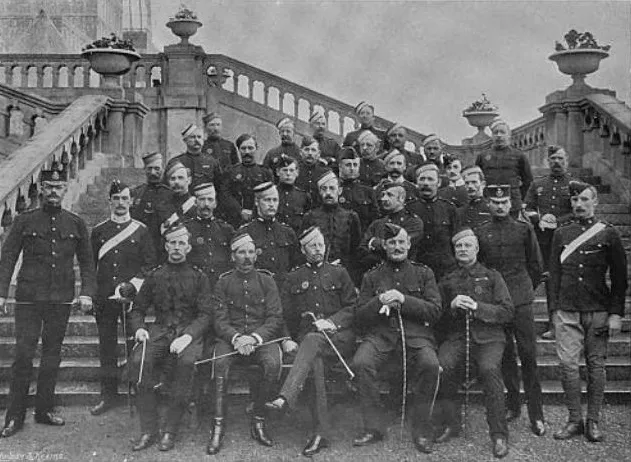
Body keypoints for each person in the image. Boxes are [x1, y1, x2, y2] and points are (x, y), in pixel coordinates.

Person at [0, 169, 96, 437]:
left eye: (59, 186)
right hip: (29, 299)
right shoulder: (24, 221)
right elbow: (8, 257)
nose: (54, 191)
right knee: (22, 356)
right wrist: (1, 292)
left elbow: (88, 262)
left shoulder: (75, 223)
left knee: (52, 355)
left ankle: (44, 410)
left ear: (65, 189)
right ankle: (14, 417)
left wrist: (87, 292)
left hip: (60, 299)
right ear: (41, 189)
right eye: (49, 186)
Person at [266, 227, 357, 456]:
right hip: (308, 344)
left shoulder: (339, 273)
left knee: (312, 341)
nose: (318, 249)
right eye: (313, 246)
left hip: (339, 339)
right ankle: (320, 433)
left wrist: (333, 322)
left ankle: (286, 396)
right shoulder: (293, 277)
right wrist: (286, 339)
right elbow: (283, 316)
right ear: (303, 249)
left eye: (321, 245)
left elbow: (353, 307)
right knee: (314, 359)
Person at [549, 181, 628, 442]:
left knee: (596, 366)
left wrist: (616, 313)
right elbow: (554, 276)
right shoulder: (561, 234)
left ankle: (593, 421)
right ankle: (574, 420)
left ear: (595, 202)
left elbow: (619, 278)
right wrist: (553, 312)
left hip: (598, 309)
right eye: (574, 200)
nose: (579, 205)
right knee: (568, 365)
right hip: (567, 309)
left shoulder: (608, 233)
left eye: (584, 199)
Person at [352, 224, 442, 454]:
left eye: (402, 242)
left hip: (416, 337)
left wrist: (404, 299)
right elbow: (359, 317)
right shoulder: (372, 276)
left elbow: (434, 311)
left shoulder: (424, 273)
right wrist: (379, 300)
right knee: (362, 363)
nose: (397, 247)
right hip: (381, 337)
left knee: (430, 364)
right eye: (392, 242)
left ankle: (422, 428)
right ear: (384, 246)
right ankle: (373, 427)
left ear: (410, 244)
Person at [128, 224, 214, 452]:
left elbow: (206, 314)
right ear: (166, 246)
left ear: (188, 247)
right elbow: (137, 309)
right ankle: (148, 429)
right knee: (139, 361)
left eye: (181, 243)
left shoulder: (199, 276)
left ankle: (170, 430)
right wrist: (139, 329)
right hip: (159, 332)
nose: (177, 247)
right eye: (172, 243)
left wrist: (188, 336)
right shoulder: (155, 275)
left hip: (188, 334)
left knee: (186, 364)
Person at [435, 228, 513, 459]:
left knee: (490, 370)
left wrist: (478, 307)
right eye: (458, 246)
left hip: (489, 338)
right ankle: (452, 423)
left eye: (467, 245)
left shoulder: (492, 276)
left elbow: (507, 311)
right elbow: (436, 315)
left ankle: (499, 434)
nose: (462, 250)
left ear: (477, 249)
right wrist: (451, 306)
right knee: (444, 365)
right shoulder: (447, 280)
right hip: (458, 337)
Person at [476, 185, 545, 436]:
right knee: (504, 355)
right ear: (488, 204)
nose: (500, 206)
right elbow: (482, 269)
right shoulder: (481, 233)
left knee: (528, 356)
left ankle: (537, 414)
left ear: (511, 204)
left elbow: (536, 266)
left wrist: (524, 292)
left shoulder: (524, 229)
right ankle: (513, 404)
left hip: (521, 301)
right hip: (496, 304)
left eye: (504, 201)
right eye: (495, 202)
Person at [207, 233, 284, 454]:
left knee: (273, 364)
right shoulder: (223, 282)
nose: (247, 257)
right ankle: (218, 425)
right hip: (231, 339)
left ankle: (259, 419)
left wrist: (255, 338)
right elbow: (219, 319)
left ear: (256, 255)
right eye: (241, 252)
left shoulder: (267, 281)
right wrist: (237, 338)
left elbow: (275, 317)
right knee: (219, 365)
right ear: (233, 256)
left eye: (251, 252)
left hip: (261, 338)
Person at [89, 180, 157, 416]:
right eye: (116, 198)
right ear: (109, 201)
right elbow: (91, 266)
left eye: (125, 198)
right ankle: (108, 396)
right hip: (105, 299)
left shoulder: (141, 230)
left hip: (132, 301)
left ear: (131, 201)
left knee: (134, 345)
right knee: (106, 347)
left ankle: (137, 392)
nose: (120, 203)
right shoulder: (98, 231)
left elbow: (150, 265)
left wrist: (131, 286)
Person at [524, 145, 573, 340]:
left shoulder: (574, 184)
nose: (556, 162)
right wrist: (539, 219)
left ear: (567, 161)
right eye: (553, 159)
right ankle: (551, 325)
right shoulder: (538, 184)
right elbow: (527, 208)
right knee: (544, 280)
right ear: (547, 162)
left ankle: (563, 323)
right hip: (542, 242)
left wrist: (557, 222)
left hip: (567, 241)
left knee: (563, 282)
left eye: (560, 158)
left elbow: (578, 211)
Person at [302, 171, 362, 283]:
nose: (328, 193)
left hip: (344, 275)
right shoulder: (310, 217)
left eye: (332, 188)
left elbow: (356, 253)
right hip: (316, 276)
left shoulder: (351, 217)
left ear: (339, 191)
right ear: (319, 191)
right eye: (324, 189)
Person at [239, 182, 301, 288]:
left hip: (283, 290)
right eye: (267, 200)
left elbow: (296, 264)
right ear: (257, 202)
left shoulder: (287, 232)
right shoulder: (246, 233)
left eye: (275, 200)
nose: (271, 204)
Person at [408, 163, 458, 281]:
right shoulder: (409, 209)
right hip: (417, 267)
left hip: (444, 269)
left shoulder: (449, 208)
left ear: (439, 183)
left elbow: (455, 239)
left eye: (430, 179)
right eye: (422, 179)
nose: (426, 183)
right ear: (416, 183)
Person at [359, 182, 424, 270]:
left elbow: (403, 247)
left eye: (389, 195)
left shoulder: (413, 222)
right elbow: (362, 249)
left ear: (401, 198)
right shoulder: (377, 223)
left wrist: (375, 243)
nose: (384, 199)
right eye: (383, 195)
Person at [475, 119, 533, 217]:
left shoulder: (519, 155)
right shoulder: (483, 156)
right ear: (492, 136)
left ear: (509, 135)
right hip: (489, 201)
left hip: (512, 203)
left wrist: (520, 199)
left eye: (502, 132)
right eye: (495, 132)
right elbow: (477, 178)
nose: (499, 135)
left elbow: (528, 181)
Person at [183, 183, 235, 290]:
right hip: (194, 286)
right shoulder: (185, 229)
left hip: (221, 286)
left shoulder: (226, 229)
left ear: (215, 204)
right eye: (202, 199)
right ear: (195, 202)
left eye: (210, 200)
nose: (206, 204)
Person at [220, 134, 273, 227]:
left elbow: (269, 196)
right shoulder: (230, 172)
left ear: (256, 148)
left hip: (259, 219)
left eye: (250, 148)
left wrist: (254, 212)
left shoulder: (265, 173)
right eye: (243, 148)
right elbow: (225, 195)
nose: (247, 152)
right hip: (234, 219)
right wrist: (240, 211)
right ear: (239, 150)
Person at [130, 151, 173, 261]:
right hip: (140, 248)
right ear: (144, 169)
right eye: (149, 168)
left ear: (163, 169)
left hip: (163, 248)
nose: (153, 172)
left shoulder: (170, 194)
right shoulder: (136, 193)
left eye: (157, 168)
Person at [166, 124, 222, 190]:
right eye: (192, 137)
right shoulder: (176, 161)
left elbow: (219, 186)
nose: (196, 140)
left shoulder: (212, 161)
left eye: (199, 137)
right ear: (185, 140)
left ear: (203, 140)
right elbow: (167, 186)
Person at [338, 146, 379, 231]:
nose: (352, 168)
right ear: (340, 167)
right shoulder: (332, 189)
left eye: (355, 165)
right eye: (348, 165)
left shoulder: (368, 192)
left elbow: (375, 220)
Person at [275, 154, 312, 233]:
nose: (288, 173)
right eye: (285, 170)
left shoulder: (304, 196)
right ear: (278, 172)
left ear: (297, 173)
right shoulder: (271, 194)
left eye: (291, 170)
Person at [161, 161, 197, 232]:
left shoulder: (196, 206)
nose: (176, 182)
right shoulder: (162, 206)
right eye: (173, 178)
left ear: (189, 180)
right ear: (168, 182)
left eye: (180, 178)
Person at [455, 166, 491, 231]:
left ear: (483, 184)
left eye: (474, 182)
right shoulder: (459, 212)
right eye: (467, 183)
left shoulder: (491, 209)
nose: (470, 186)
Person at [295, 136, 331, 203]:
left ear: (319, 153)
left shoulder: (326, 173)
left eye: (313, 150)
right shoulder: (294, 171)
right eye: (306, 149)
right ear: (300, 152)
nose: (310, 153)